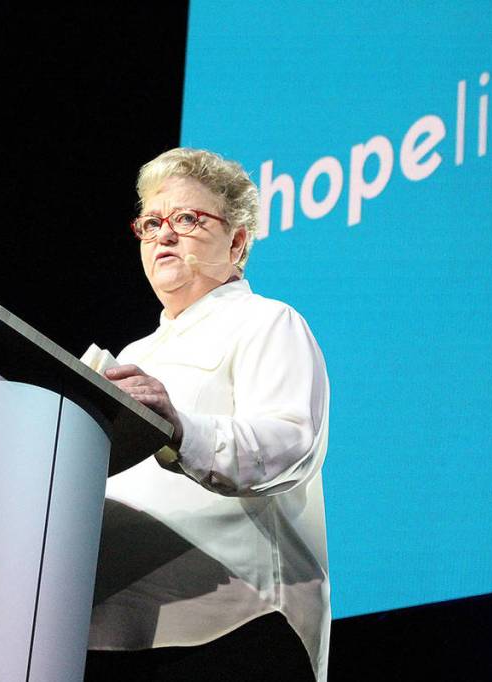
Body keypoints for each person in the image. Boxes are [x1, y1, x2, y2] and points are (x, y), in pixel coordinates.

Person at [85, 148, 330, 681]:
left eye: (186, 219)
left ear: (237, 242)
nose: (164, 236)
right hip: (109, 637)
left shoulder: (268, 322)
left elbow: (289, 444)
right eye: (152, 223)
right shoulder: (131, 356)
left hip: (234, 627)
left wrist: (178, 428)